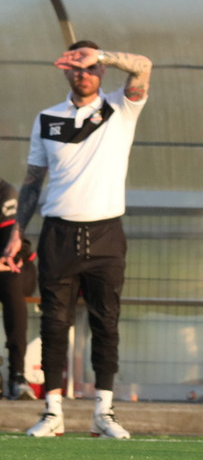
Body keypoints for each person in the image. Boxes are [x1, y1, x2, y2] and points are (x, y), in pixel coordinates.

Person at [1, 41, 153, 438]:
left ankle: (104, 411)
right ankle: (52, 412)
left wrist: (101, 56)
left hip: (106, 233)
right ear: (66, 71)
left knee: (106, 322)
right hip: (58, 234)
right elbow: (33, 180)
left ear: (100, 71)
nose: (83, 74)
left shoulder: (120, 107)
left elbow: (143, 65)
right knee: (54, 322)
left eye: (89, 67)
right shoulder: (48, 118)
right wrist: (17, 232)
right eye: (76, 67)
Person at [0, 178, 37, 399]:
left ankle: (17, 374)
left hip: (18, 268)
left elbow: (11, 251)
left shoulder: (5, 191)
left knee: (10, 280)